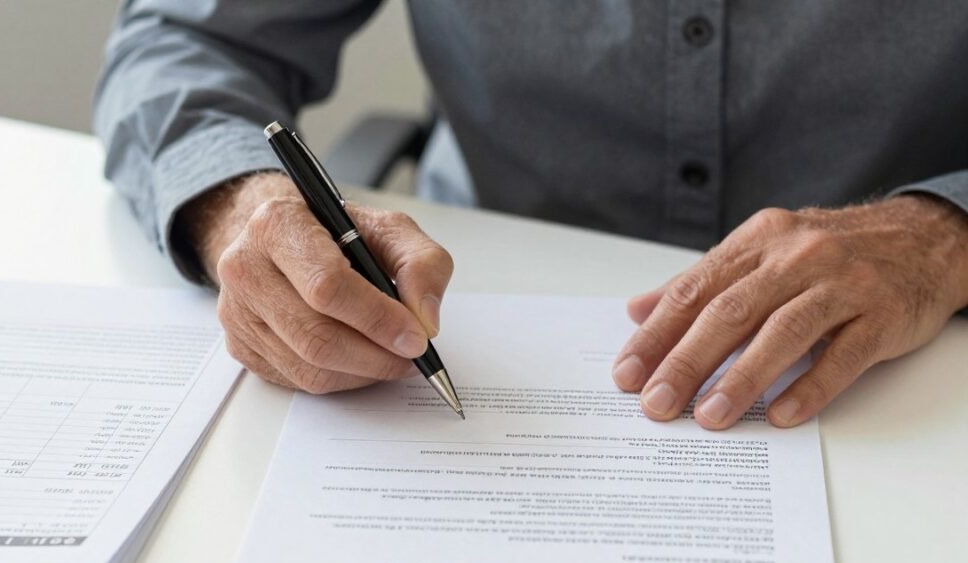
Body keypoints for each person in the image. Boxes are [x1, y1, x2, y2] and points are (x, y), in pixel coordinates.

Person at [95, 2, 968, 431]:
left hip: (907, 372)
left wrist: (942, 236)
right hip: (475, 290)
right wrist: (244, 202)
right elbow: (185, 39)